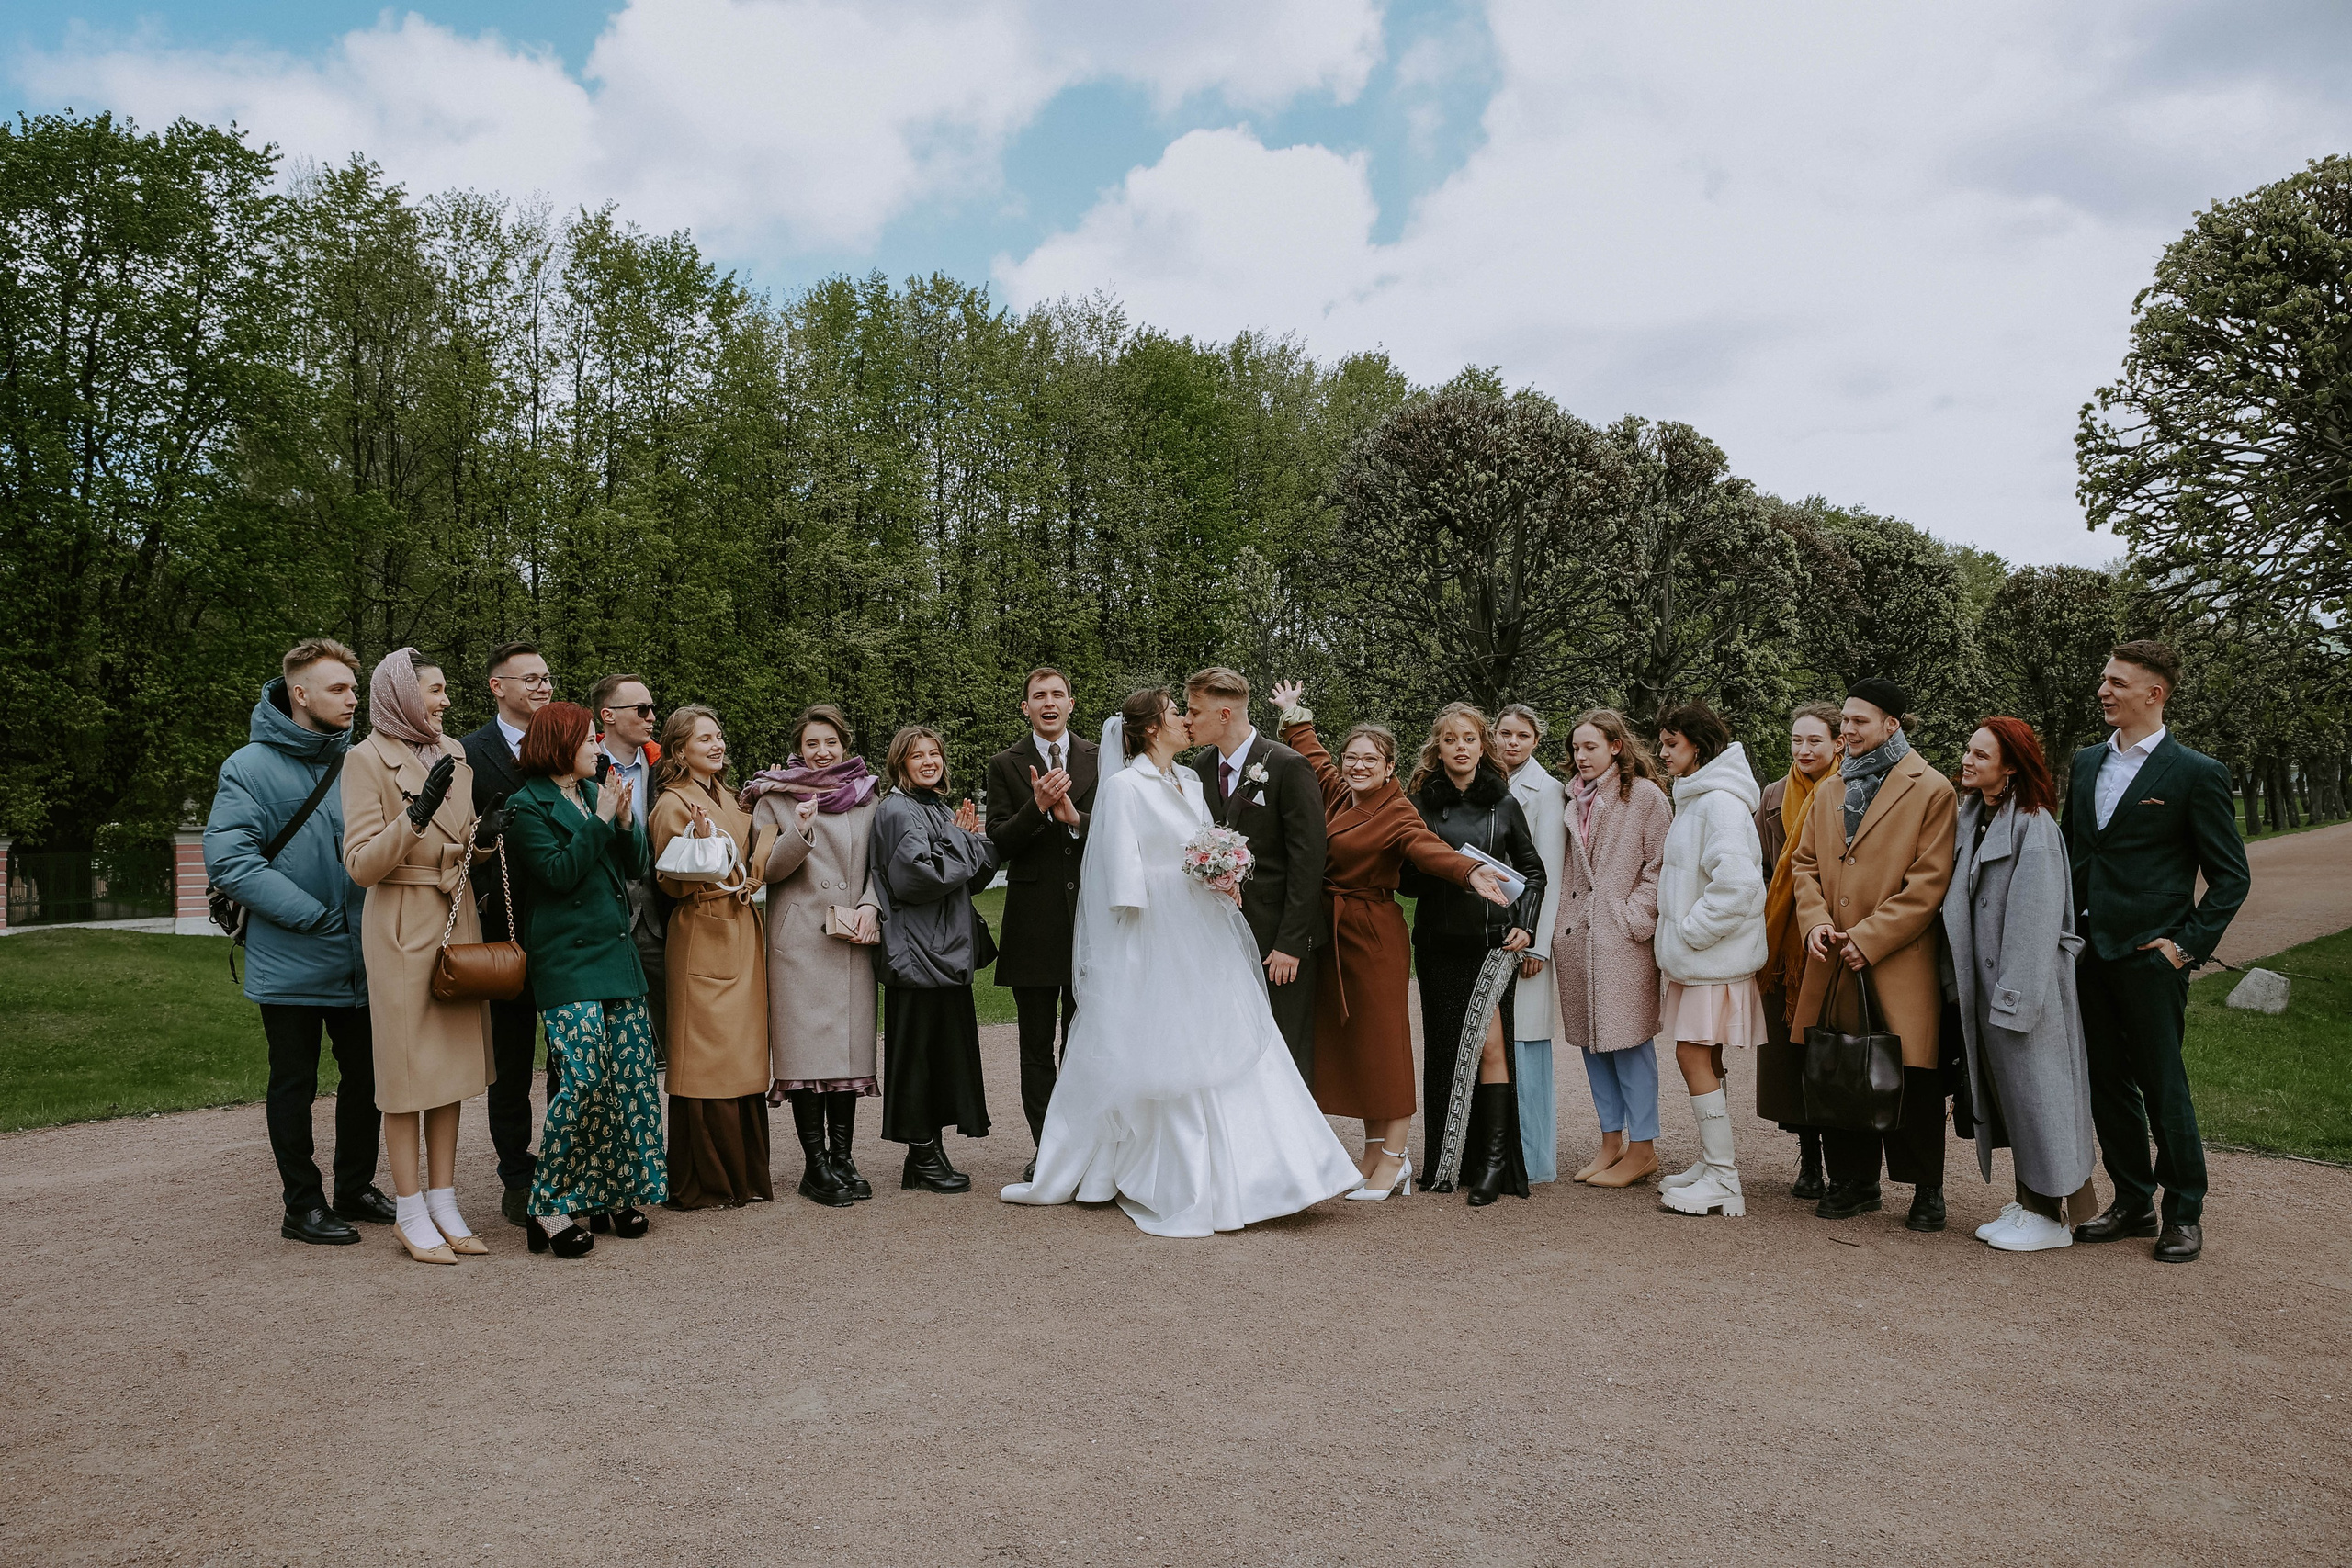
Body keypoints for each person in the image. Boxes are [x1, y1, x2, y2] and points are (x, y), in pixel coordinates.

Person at [1001, 690, 1363, 1235]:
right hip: (1155, 932)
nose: (1185, 721)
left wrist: (1222, 873)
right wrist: (1158, 919)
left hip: (1206, 928)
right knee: (1168, 1041)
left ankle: (1275, 1171)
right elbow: (1122, 873)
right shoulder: (1125, 786)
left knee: (1232, 1036)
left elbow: (1201, 843)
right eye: (1176, 713)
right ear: (1151, 728)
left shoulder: (1191, 779)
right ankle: (1164, 1173)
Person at [1268, 682, 1512, 1201]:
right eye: (1352, 757)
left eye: (1370, 760)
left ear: (1389, 768)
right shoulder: (1339, 793)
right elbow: (1315, 757)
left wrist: (1468, 872)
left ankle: (1397, 1158)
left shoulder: (1398, 811)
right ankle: (1372, 1151)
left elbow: (1428, 848)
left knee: (1386, 1047)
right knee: (1357, 1045)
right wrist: (1294, 714)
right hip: (1336, 935)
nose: (1358, 766)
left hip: (1374, 935)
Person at [2064, 641, 2250, 1263]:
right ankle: (2133, 1200)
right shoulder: (2085, 762)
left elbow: (2231, 877)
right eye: (2104, 678)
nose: (2103, 690)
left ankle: (2183, 1212)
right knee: (2106, 1085)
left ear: (2155, 692)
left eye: (2117, 682)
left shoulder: (2196, 772)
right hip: (2087, 953)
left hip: (2151, 958)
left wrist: (2183, 947)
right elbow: (2073, 851)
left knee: (2163, 1086)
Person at [204, 638, 391, 1246]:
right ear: (300, 694)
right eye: (338, 688)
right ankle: (302, 1204)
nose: (352, 698)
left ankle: (355, 1187)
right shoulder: (248, 767)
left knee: (368, 1077)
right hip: (292, 956)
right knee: (295, 1083)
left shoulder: (363, 760)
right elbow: (231, 862)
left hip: (362, 955)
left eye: (354, 688)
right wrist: (313, 916)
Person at [340, 649, 497, 1263]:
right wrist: (416, 814)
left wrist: (486, 840)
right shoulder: (365, 759)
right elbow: (361, 865)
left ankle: (444, 1199)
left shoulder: (453, 752)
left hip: (455, 920)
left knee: (449, 1071)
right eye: (434, 690)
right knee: (406, 1075)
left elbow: (460, 843)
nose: (445, 701)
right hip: (401, 926)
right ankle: (409, 1209)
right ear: (403, 695)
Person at [1791, 678, 1959, 1231]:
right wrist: (1815, 922)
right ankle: (1854, 1182)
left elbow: (1929, 883)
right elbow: (1804, 865)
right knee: (1841, 1066)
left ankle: (1926, 1189)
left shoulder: (1932, 788)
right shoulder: (1830, 788)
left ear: (1892, 724)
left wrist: (1869, 938)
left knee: (1912, 1074)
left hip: (1897, 957)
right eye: (1844, 719)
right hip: (1832, 954)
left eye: (1859, 721)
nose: (1847, 729)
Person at [505, 702, 664, 1257]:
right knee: (584, 1083)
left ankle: (613, 1193)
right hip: (567, 964)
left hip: (617, 958)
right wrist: (599, 820)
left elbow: (635, 865)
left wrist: (623, 822)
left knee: (630, 1083)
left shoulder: (594, 792)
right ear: (560, 746)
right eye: (588, 740)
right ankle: (547, 1204)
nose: (597, 748)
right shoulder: (525, 805)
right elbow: (557, 874)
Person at [1944, 717, 2100, 1253]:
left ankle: (2051, 1215)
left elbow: (2036, 923)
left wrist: (2014, 998)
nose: (1967, 761)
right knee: (2018, 1097)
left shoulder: (2034, 826)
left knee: (2042, 1098)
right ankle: (2032, 1202)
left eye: (1980, 755)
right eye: (1968, 750)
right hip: (1993, 987)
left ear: (2010, 767)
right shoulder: (1976, 816)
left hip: (2024, 992)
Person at [1400, 703, 1548, 1206]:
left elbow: (1533, 872)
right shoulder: (1418, 804)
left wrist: (1526, 925)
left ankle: (1493, 1165)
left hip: (1491, 944)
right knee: (1444, 1049)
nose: (1460, 747)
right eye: (1450, 740)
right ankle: (1447, 1163)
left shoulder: (1503, 803)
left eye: (1468, 738)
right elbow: (1405, 881)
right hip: (1438, 944)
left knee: (1489, 1048)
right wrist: (1443, 869)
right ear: (1437, 748)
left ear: (1482, 746)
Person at [744, 705, 884, 1207]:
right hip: (799, 943)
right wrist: (800, 830)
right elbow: (765, 871)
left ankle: (843, 1158)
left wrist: (870, 905)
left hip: (850, 938)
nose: (822, 752)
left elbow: (880, 866)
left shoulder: (868, 796)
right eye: (811, 744)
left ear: (844, 745)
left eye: (830, 742)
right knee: (805, 1055)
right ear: (798, 749)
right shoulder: (773, 797)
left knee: (848, 1052)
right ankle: (814, 1164)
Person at [649, 705, 775, 1210]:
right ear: (679, 751)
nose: (717, 744)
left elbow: (752, 854)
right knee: (706, 1056)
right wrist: (704, 849)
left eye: (719, 736)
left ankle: (742, 1175)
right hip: (703, 929)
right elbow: (670, 879)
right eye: (705, 739)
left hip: (739, 926)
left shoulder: (726, 795)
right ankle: (705, 1180)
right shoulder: (671, 803)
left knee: (741, 1052)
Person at [869, 727, 1001, 1193]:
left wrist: (971, 839)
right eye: (917, 755)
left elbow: (973, 877)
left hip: (946, 950)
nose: (929, 761)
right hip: (918, 952)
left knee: (942, 1055)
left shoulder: (938, 807)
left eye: (935, 753)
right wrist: (962, 841)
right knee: (918, 1055)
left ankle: (925, 1156)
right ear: (899, 764)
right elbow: (917, 878)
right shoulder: (896, 809)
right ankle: (923, 1154)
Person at [1650, 702, 1769, 1219]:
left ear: (1697, 746)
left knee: (1691, 1055)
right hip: (1701, 959)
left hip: (1710, 958)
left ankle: (1724, 1178)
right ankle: (1711, 1164)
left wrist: (1691, 932)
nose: (1662, 752)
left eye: (1671, 743)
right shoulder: (1699, 797)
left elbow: (1738, 884)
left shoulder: (1718, 802)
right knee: (1705, 1056)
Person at [1182, 668, 1328, 1083]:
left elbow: (1308, 860)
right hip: (1219, 937)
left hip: (1276, 941)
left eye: (1194, 712)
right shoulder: (1201, 765)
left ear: (1225, 714)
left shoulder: (1288, 765)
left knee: (1285, 1050)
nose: (1187, 720)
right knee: (1230, 1046)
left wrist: (1290, 944)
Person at [984, 668, 1100, 1173]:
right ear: (1025, 707)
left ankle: (1085, 1146)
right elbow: (998, 841)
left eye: (1057, 694)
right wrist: (1037, 806)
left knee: (1083, 1042)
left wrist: (1075, 819)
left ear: (1071, 703)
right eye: (1039, 696)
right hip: (1032, 924)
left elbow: (1119, 829)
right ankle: (1048, 1150)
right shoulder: (1004, 764)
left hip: (1092, 922)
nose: (1049, 702)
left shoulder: (1101, 757)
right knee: (1035, 1045)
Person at [1552, 709, 1672, 1190]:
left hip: (1622, 940)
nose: (1581, 756)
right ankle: (1610, 1141)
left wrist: (1632, 917)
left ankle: (1643, 1147)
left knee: (1630, 1041)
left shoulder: (1644, 796)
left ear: (1616, 746)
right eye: (1575, 748)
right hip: (1579, 937)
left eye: (1591, 747)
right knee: (1592, 1042)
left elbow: (1661, 865)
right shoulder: (1572, 798)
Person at [458, 640, 554, 1225]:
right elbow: (455, 840)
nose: (543, 686)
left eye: (546, 677)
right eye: (530, 678)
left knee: (572, 1059)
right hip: (505, 930)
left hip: (565, 925)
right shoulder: (468, 753)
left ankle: (568, 1165)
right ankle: (517, 1177)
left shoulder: (565, 745)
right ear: (498, 687)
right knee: (511, 1065)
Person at [1755, 702, 1844, 1201]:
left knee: (1829, 1050)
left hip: (1831, 937)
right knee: (1791, 1056)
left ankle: (1843, 1165)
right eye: (1796, 740)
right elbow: (1761, 866)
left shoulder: (1850, 788)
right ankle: (1809, 1160)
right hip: (1782, 942)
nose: (1803, 750)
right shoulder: (1773, 795)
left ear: (1837, 743)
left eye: (1814, 741)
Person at [1496, 703, 1566, 1183]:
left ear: (1536, 741)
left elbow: (1550, 871)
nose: (1512, 742)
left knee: (1525, 1041)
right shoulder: (1485, 781)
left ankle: (1533, 1157)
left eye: (1522, 735)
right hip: (1489, 925)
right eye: (1505, 733)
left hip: (1527, 931)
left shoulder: (1549, 790)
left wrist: (1537, 943)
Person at [589, 672, 666, 1043]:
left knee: (675, 1028)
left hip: (660, 916)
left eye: (652, 708)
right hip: (603, 916)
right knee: (609, 1036)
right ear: (608, 715)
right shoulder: (581, 768)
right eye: (641, 709)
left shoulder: (665, 768)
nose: (652, 717)